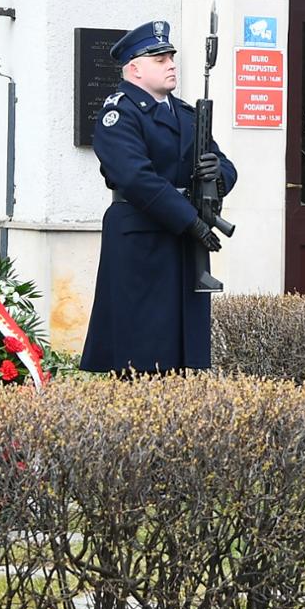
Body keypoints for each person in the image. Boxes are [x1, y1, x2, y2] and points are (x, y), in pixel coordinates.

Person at [81, 21, 238, 374]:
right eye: (160, 59)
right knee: (142, 349)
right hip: (142, 238)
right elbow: (135, 178)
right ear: (134, 69)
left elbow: (224, 163)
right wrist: (190, 220)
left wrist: (218, 174)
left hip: (183, 238)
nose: (171, 64)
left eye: (171, 57)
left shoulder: (185, 114)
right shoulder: (119, 114)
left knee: (181, 350)